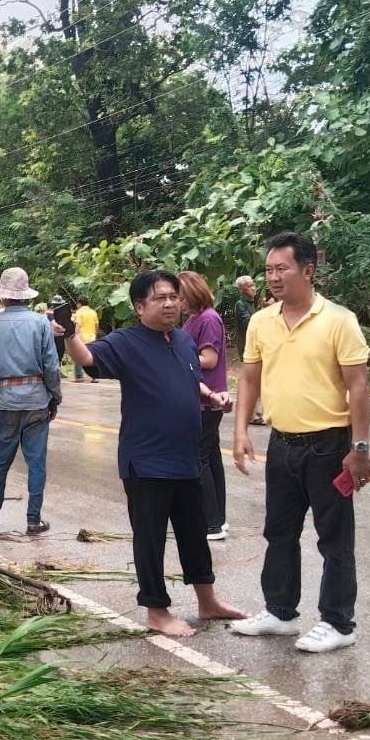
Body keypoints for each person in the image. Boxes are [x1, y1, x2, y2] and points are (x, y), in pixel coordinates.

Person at [63, 270, 245, 637]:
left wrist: (212, 397)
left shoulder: (182, 339)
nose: (170, 303)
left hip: (185, 457)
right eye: (160, 298)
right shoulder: (125, 342)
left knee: (194, 533)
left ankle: (207, 601)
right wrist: (68, 333)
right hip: (146, 460)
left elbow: (190, 379)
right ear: (139, 306)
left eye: (174, 297)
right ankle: (157, 611)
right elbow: (87, 357)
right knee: (150, 537)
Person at [230, 231, 370, 654]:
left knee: (334, 538)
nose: (274, 277)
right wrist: (240, 430)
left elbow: (359, 387)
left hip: (330, 446)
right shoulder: (261, 321)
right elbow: (250, 378)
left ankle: (338, 622)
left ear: (308, 270)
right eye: (269, 269)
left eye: (283, 269)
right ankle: (280, 612)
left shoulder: (339, 320)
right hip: (282, 445)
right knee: (279, 531)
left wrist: (359, 448)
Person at [0, 267, 61, 537]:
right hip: (37, 401)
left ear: (3, 296)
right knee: (37, 463)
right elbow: (51, 365)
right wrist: (55, 397)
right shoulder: (41, 323)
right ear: (26, 295)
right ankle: (34, 520)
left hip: (5, 400)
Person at [179, 272, 230, 541]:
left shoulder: (208, 319)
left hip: (208, 399)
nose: (178, 302)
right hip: (200, 398)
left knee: (199, 458)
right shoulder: (193, 319)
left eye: (181, 297)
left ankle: (211, 523)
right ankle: (219, 518)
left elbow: (209, 359)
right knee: (210, 457)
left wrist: (175, 358)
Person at [234, 276, 263, 425]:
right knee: (251, 380)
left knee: (258, 379)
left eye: (253, 285)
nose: (254, 288)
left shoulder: (251, 303)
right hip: (247, 347)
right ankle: (250, 414)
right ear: (242, 290)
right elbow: (249, 323)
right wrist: (264, 312)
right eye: (250, 286)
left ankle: (256, 411)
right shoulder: (240, 304)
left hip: (255, 346)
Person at [72, 296, 99, 383]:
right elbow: (96, 325)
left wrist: (75, 336)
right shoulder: (93, 312)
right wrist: (95, 334)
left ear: (79, 303)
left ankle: (79, 376)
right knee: (93, 357)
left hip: (82, 337)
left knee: (77, 356)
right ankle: (94, 376)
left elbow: (78, 325)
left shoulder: (79, 312)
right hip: (92, 337)